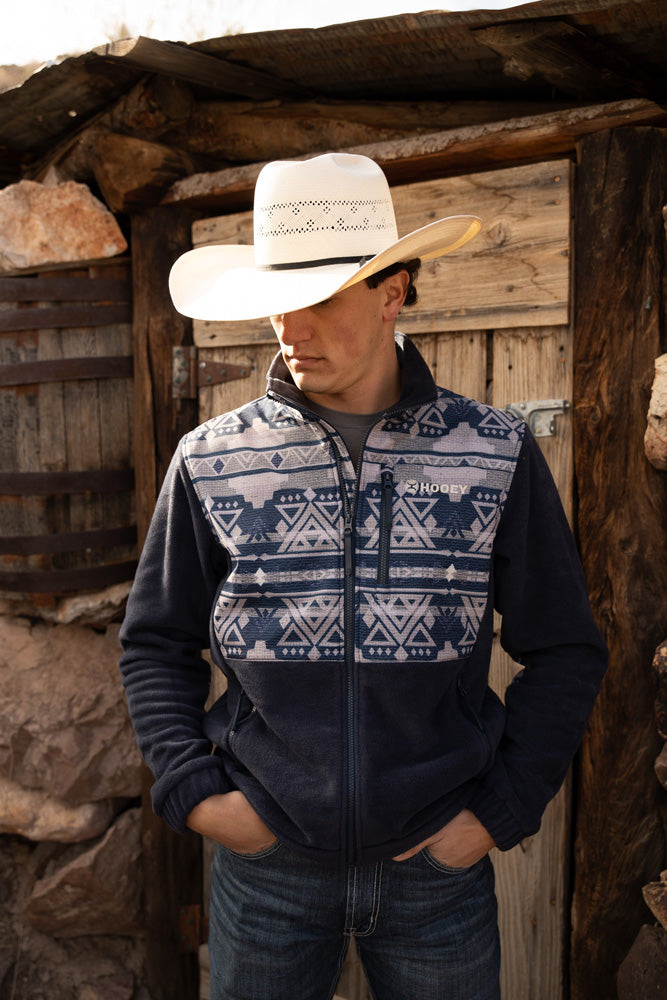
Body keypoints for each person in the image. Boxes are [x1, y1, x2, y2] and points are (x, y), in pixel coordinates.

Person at [119, 152, 607, 1000]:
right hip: (265, 869)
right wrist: (198, 796)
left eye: (320, 298)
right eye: (279, 300)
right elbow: (154, 643)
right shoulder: (211, 458)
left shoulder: (491, 451)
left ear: (394, 292)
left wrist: (495, 815)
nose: (289, 327)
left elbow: (564, 650)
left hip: (436, 877)